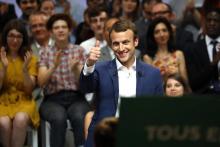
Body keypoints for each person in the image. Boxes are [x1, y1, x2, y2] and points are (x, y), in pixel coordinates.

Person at [80, 19, 163, 147]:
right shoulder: (100, 69)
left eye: (125, 42)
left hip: (139, 136)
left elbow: (159, 111)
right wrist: (89, 64)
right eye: (116, 44)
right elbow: (86, 87)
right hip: (105, 138)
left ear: (136, 41)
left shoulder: (153, 74)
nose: (121, 48)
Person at [38, 13, 90, 147]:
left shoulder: (79, 51)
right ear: (50, 32)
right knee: (58, 118)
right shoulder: (45, 52)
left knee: (80, 117)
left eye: (64, 27)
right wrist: (53, 66)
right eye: (56, 28)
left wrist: (76, 70)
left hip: (77, 98)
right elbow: (41, 82)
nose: (60, 30)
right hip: (52, 99)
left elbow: (87, 84)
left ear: (69, 30)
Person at [0, 19, 39, 147]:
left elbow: (29, 90)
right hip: (3, 100)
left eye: (19, 36)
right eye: (11, 36)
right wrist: (4, 68)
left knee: (20, 119)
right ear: (5, 37)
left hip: (24, 100)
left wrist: (24, 71)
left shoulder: (30, 58)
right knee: (3, 122)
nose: (15, 40)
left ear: (24, 39)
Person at [185, 8, 220, 94]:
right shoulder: (192, 49)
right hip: (203, 98)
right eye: (209, 20)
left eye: (216, 21)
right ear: (204, 23)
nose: (212, 23)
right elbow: (193, 82)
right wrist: (213, 64)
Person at [143, 17, 189, 82]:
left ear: (169, 33)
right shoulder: (148, 58)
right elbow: (150, 84)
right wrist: (164, 77)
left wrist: (176, 75)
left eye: (164, 30)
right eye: (157, 32)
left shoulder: (179, 54)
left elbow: (185, 82)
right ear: (152, 36)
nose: (162, 35)